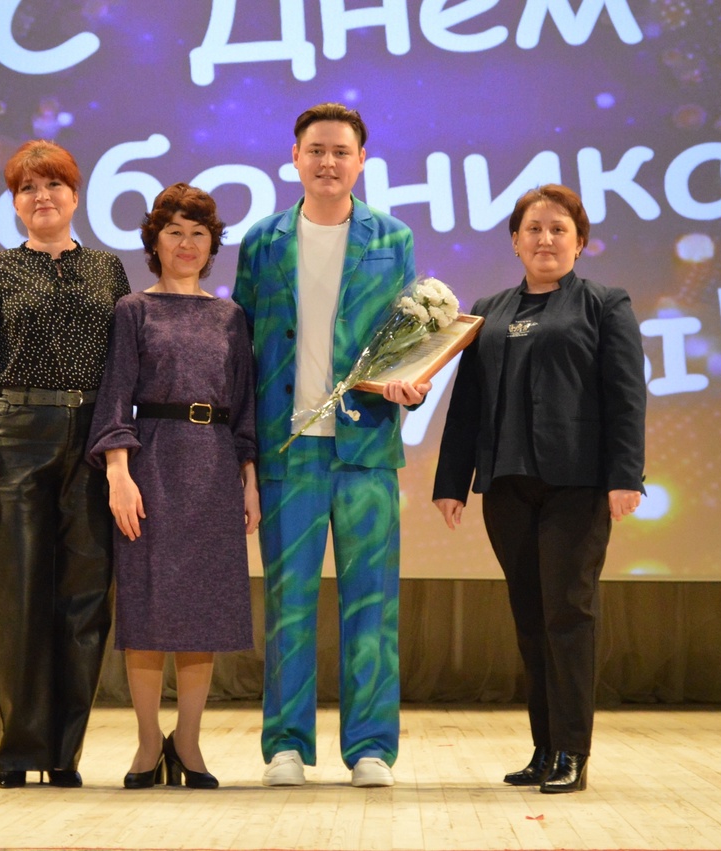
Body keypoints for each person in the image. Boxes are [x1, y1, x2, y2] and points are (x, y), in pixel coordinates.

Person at [233, 103, 427, 789]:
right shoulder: (262, 241)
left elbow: (410, 337)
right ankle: (285, 746)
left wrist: (411, 384)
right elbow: (240, 350)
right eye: (316, 150)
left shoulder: (392, 238)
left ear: (361, 161)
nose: (327, 162)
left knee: (371, 604)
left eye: (341, 151)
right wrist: (244, 454)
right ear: (295, 157)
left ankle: (371, 747)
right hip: (288, 451)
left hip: (365, 448)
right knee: (288, 604)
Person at [432, 184, 646, 793]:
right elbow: (466, 405)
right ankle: (544, 748)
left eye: (558, 229)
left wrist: (625, 476)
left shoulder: (605, 304)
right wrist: (452, 482)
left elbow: (627, 395)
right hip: (506, 486)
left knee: (568, 614)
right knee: (530, 618)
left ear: (580, 242)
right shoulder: (489, 310)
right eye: (533, 228)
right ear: (515, 241)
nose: (545, 239)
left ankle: (573, 751)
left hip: (577, 486)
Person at [0, 139, 130, 789]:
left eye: (53, 184)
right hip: (16, 439)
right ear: (14, 203)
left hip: (91, 441)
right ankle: (19, 749)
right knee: (15, 598)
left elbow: (122, 371)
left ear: (75, 195)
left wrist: (119, 454)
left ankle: (63, 755)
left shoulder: (108, 270)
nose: (41, 197)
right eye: (27, 188)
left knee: (84, 600)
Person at [87, 183, 259, 790]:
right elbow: (114, 398)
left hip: (214, 467)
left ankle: (187, 743)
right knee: (147, 606)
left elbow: (245, 409)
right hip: (151, 466)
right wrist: (118, 474)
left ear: (212, 245)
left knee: (201, 612)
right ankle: (145, 743)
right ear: (154, 242)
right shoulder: (133, 309)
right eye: (174, 232)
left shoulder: (231, 317)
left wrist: (249, 481)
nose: (186, 244)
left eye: (198, 234)